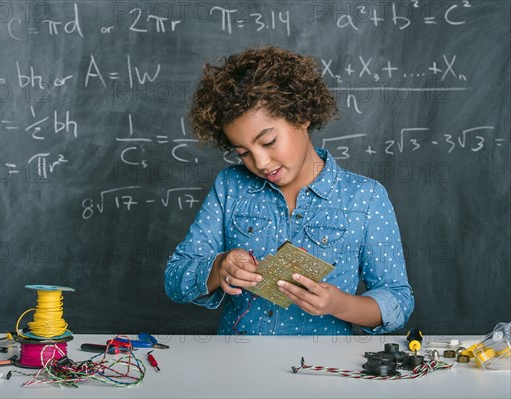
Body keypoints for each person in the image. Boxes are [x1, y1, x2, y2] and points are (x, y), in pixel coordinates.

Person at [165, 46, 414, 335]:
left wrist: (339, 304)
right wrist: (219, 268)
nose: (260, 162)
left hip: (321, 371)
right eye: (243, 152)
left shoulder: (365, 197)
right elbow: (174, 280)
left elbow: (398, 300)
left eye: (268, 142)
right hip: (238, 367)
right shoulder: (230, 186)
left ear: (301, 116)